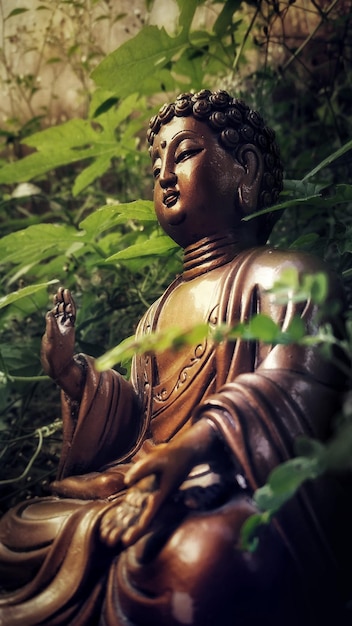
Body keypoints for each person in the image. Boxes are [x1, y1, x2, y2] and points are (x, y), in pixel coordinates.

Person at [0, 90, 350, 626]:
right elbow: (140, 419)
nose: (165, 174)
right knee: (18, 526)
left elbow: (293, 386)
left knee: (202, 555)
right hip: (141, 480)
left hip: (223, 482)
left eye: (183, 153)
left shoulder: (285, 275)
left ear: (245, 170)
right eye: (157, 162)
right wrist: (73, 374)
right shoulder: (156, 312)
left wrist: (192, 448)